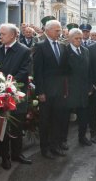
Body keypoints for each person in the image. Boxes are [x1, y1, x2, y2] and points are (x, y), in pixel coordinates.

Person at [0, 23, 32, 169]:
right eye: (0, 34)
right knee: (3, 127)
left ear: (14, 35)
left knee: (17, 126)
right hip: (0, 96)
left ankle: (17, 153)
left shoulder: (24, 51)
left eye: (3, 34)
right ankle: (4, 157)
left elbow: (25, 71)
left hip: (17, 95)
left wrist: (9, 83)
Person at [33, 20, 68, 159]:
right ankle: (45, 148)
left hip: (59, 91)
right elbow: (37, 71)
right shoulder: (40, 46)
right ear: (47, 30)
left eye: (60, 30)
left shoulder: (62, 46)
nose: (59, 33)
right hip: (46, 92)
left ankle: (55, 146)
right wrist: (40, 92)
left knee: (57, 120)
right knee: (45, 121)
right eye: (56, 30)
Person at [64, 28, 93, 146]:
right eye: (76, 38)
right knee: (66, 117)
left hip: (83, 89)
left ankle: (82, 137)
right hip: (69, 89)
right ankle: (63, 140)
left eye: (80, 38)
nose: (79, 40)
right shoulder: (65, 51)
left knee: (84, 116)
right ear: (70, 39)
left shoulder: (86, 51)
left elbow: (90, 70)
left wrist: (90, 87)